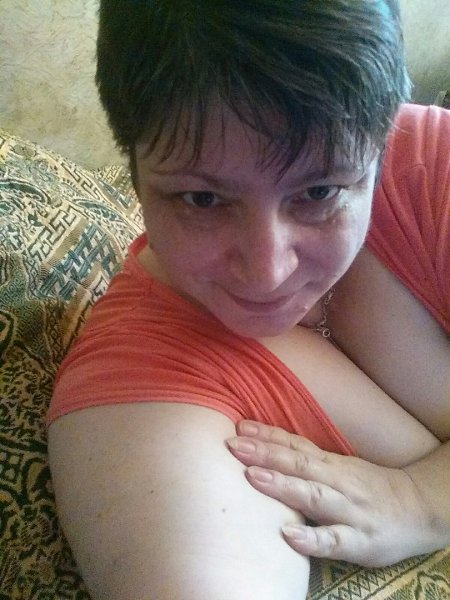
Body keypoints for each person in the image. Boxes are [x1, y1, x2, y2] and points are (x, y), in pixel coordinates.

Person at [47, 1, 450, 598]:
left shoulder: (431, 168)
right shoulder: (139, 392)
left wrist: (425, 501)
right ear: (132, 166)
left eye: (320, 191)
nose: (268, 274)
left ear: (382, 141)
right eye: (202, 200)